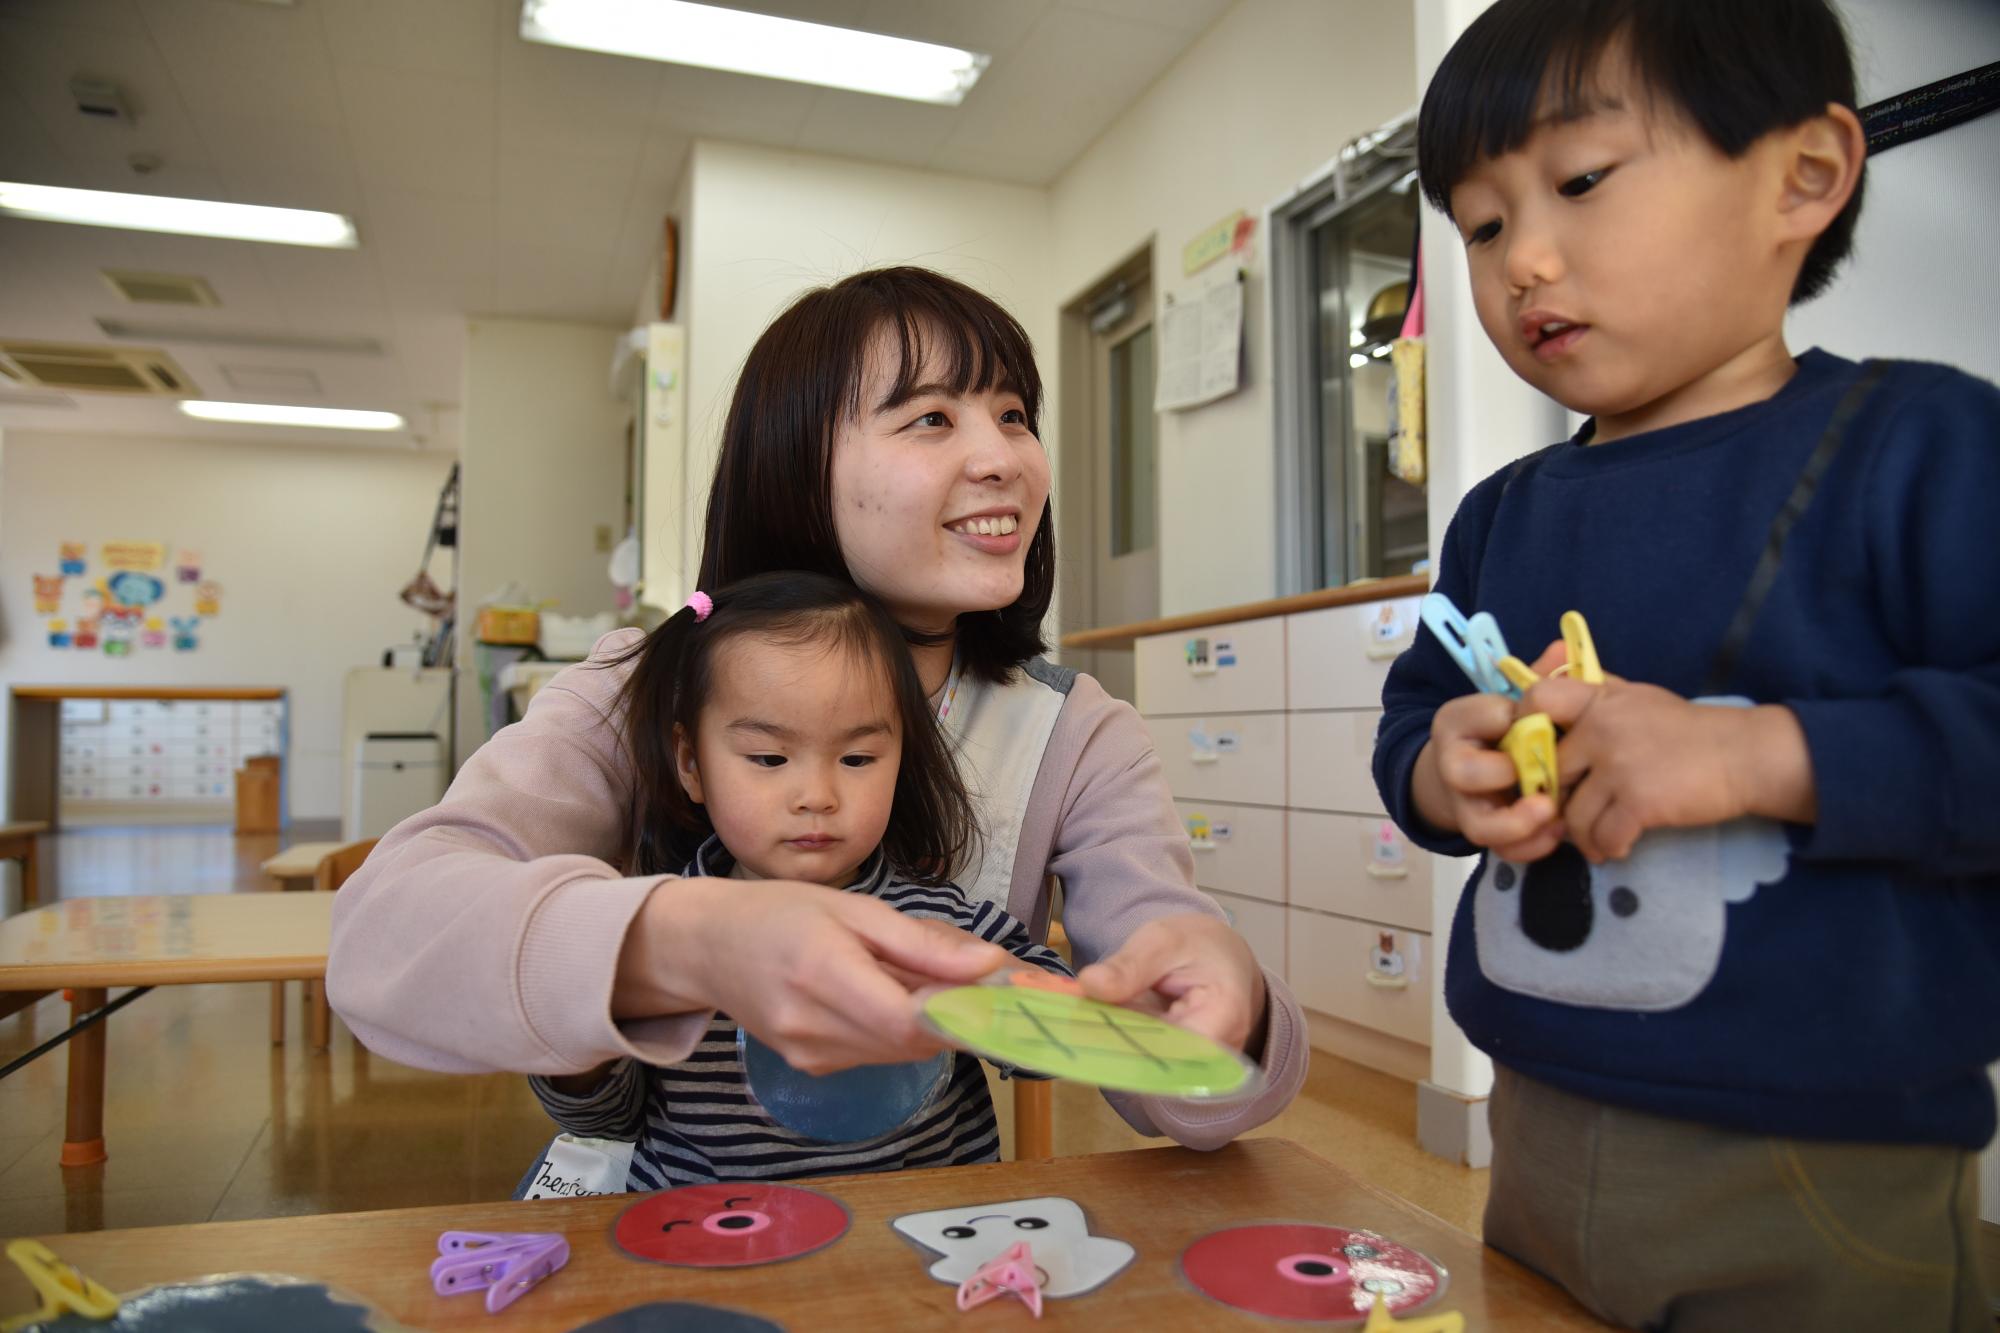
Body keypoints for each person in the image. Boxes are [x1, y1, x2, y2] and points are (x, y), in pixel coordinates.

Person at [329, 266, 1307, 1152]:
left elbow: (1189, 1099)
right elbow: (384, 943)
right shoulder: (646, 677)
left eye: (1013, 413)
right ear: (797, 463)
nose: (1004, 456)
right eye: (930, 418)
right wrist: (693, 940)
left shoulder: (1078, 730)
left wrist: (1233, 1005)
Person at [1373, 0, 1999, 1327]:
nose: (1523, 259)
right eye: (1481, 226)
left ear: (1804, 176)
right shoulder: (1499, 514)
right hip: (1533, 1122)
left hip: (1823, 1159)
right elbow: (1415, 722)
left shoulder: (1925, 446)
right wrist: (1442, 767)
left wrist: (1757, 754)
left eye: (1582, 182)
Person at [530, 572, 1072, 1187]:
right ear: (691, 764)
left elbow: (1060, 1037)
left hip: (913, 1252)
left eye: (858, 759)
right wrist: (591, 1021)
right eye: (769, 759)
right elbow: (603, 1117)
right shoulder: (659, 935)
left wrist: (982, 991)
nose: (817, 796)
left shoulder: (937, 923)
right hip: (711, 1257)